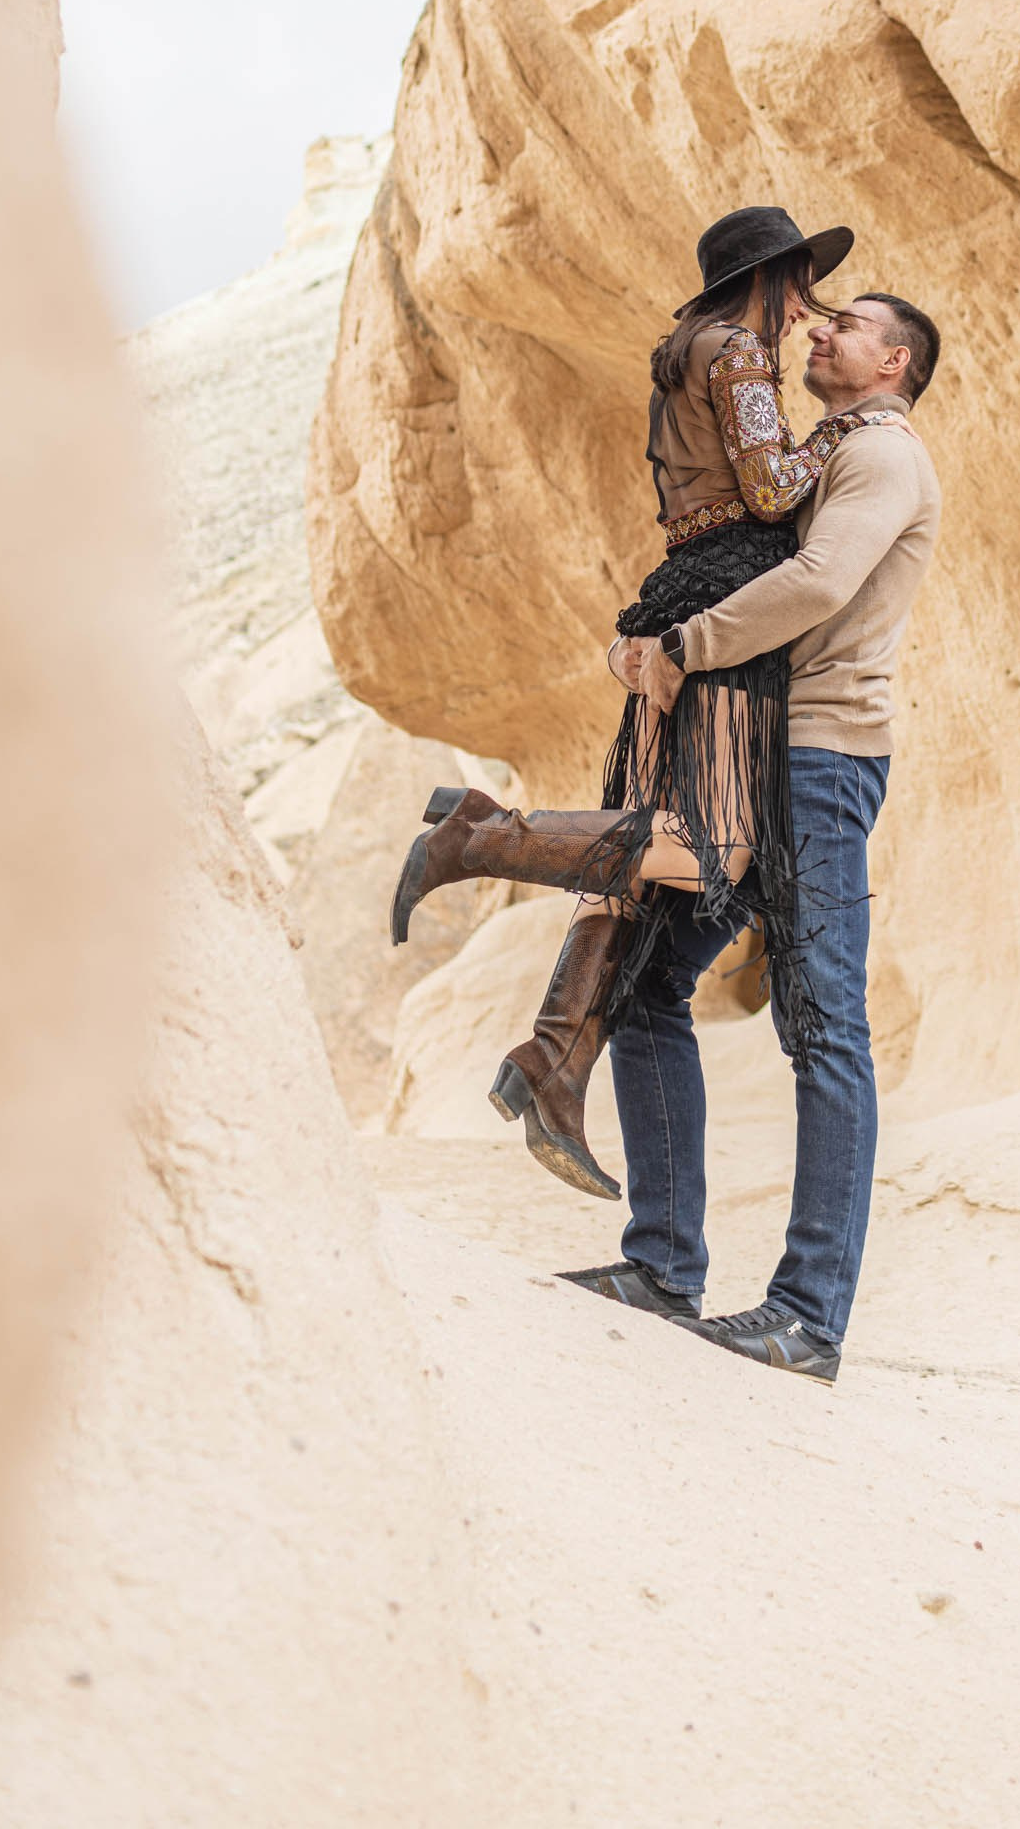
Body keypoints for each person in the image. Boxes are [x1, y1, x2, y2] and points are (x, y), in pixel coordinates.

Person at [386, 204, 864, 1198]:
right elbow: (773, 491)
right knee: (718, 845)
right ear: (768, 282)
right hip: (725, 607)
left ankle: (556, 1062)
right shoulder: (736, 351)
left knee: (637, 862)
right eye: (797, 288)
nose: (801, 310)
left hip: (673, 594)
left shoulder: (684, 351)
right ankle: (482, 835)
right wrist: (839, 434)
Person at [563, 285, 942, 1384]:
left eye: (852, 326)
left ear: (894, 363)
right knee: (646, 982)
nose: (821, 330)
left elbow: (821, 582)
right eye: (820, 319)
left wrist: (686, 643)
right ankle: (663, 1266)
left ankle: (807, 1317)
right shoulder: (831, 450)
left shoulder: (883, 457)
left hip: (820, 761)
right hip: (763, 751)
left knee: (824, 1023)